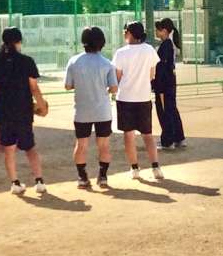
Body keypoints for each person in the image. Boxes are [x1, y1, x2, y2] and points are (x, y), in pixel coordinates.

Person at [0, 27, 48, 195]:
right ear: (19, 42)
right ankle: (39, 181)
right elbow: (34, 87)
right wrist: (41, 105)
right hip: (23, 111)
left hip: (4, 112)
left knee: (9, 149)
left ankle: (15, 183)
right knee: (30, 147)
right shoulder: (26, 61)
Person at [65, 27, 118, 189]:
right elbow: (114, 88)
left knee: (81, 145)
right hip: (102, 111)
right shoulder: (107, 63)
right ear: (102, 42)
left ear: (83, 42)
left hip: (82, 111)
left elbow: (68, 85)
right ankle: (103, 176)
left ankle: (82, 177)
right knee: (104, 145)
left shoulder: (74, 61)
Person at [112, 21, 164, 180]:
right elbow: (152, 74)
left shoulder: (121, 53)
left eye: (125, 31)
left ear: (129, 33)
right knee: (147, 134)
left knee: (129, 135)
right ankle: (156, 167)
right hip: (143, 97)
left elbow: (117, 77)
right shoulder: (149, 50)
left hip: (125, 98)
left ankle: (134, 168)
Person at [154, 18, 186, 150]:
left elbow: (162, 67)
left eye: (158, 30)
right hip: (170, 82)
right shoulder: (169, 44)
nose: (156, 32)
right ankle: (179, 138)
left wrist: (158, 86)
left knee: (165, 111)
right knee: (172, 110)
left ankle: (168, 141)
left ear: (164, 31)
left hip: (164, 83)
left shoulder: (166, 45)